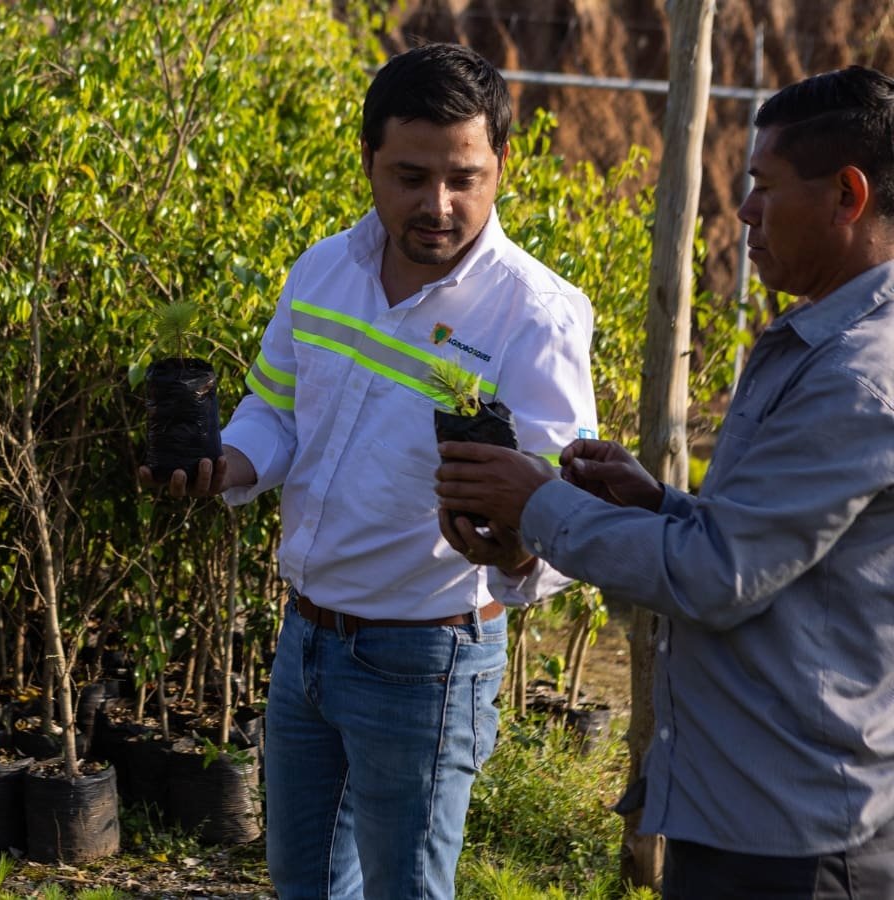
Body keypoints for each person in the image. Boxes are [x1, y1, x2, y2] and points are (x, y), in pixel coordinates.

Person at [141, 43, 598, 899]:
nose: (438, 204)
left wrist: (517, 551)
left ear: (503, 165)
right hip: (306, 640)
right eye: (410, 175)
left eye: (465, 177)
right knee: (301, 884)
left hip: (425, 658)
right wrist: (227, 463)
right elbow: (275, 408)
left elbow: (561, 502)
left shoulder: (533, 313)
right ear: (368, 163)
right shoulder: (325, 270)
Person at [435, 65, 894, 899]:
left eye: (763, 186)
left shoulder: (856, 377)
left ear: (847, 195)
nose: (745, 210)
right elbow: (775, 549)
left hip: (795, 840)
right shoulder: (819, 343)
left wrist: (537, 504)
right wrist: (663, 502)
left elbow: (719, 577)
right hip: (749, 803)